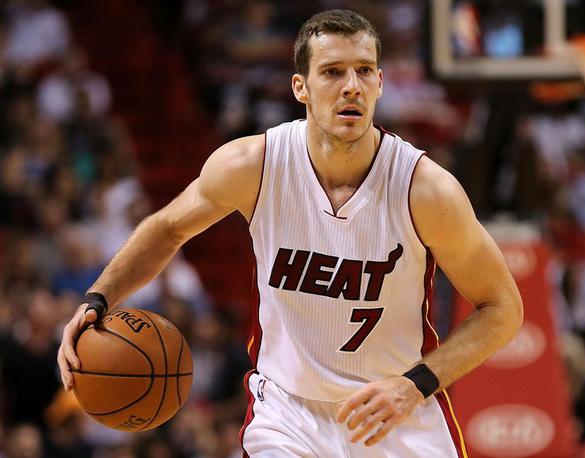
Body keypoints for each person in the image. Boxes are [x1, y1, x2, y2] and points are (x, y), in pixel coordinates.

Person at [57, 9, 523, 457]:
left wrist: (416, 383)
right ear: (300, 86)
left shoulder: (426, 190)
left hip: (395, 409)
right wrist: (97, 298)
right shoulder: (252, 166)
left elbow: (503, 308)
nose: (351, 87)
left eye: (364, 71)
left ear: (381, 83)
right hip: (288, 413)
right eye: (333, 72)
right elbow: (167, 228)